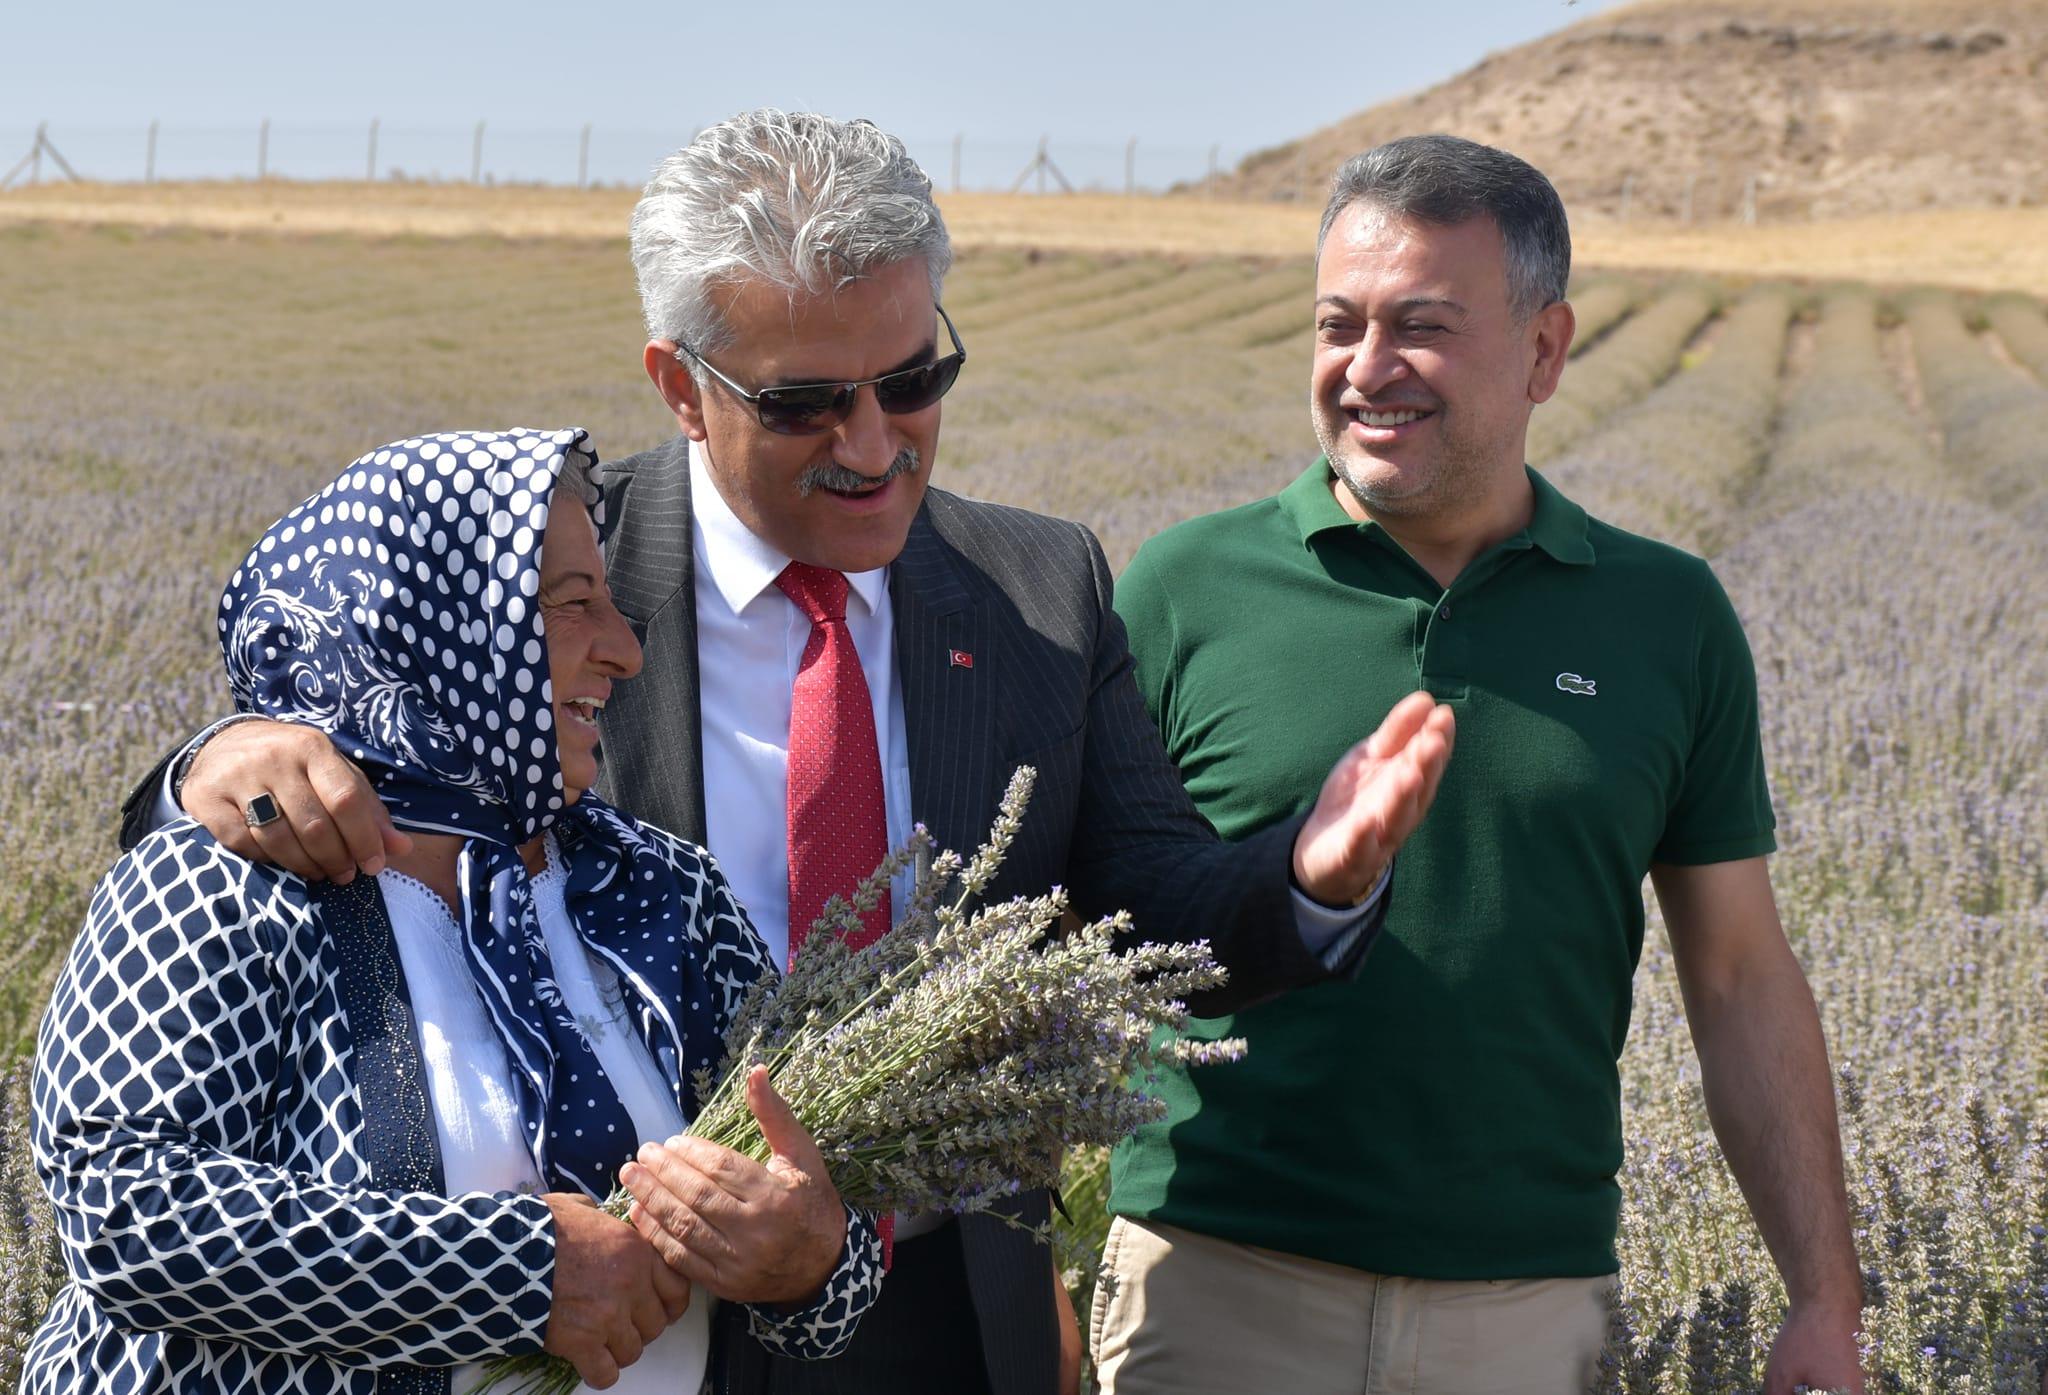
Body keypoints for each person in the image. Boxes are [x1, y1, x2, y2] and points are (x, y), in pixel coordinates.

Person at [121, 112, 1457, 1395]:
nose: (876, 445)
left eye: (914, 380)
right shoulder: (554, 578)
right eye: (808, 402)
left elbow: (1146, 902)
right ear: (680, 386)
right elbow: (311, 793)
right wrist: (216, 760)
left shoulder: (1043, 589)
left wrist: (1311, 875)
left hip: (929, 1299)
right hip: (615, 1310)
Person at [1093, 134, 1866, 1395]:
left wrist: (1822, 1303)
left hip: (1527, 1311)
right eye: (1337, 324)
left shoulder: (1665, 616)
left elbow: (1735, 975)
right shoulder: (1185, 589)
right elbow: (1068, 940)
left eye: (1422, 327)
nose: (1365, 369)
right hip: (1213, 1288)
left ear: (1545, 349)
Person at [38, 428, 878, 1395]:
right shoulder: (225, 879)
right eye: (570, 604)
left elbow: (833, 1257)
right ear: (427, 624)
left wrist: (805, 1258)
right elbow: (125, 1211)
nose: (626, 649)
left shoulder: (659, 890)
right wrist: (518, 1274)